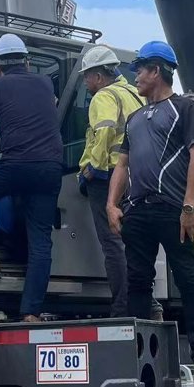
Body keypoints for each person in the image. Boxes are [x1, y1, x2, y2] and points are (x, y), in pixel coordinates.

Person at [107, 40, 194, 375]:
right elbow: (122, 164)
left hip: (173, 209)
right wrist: (112, 204)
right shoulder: (134, 118)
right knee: (138, 282)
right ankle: (139, 357)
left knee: (188, 278)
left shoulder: (184, 109)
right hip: (137, 211)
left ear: (156, 70)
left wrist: (189, 207)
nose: (136, 77)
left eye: (140, 70)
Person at [0, 34, 63, 322]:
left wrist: (0, 145)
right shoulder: (45, 83)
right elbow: (51, 108)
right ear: (27, 62)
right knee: (40, 240)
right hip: (50, 167)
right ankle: (31, 312)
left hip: (17, 163)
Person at [76, 45, 161, 320]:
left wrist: (93, 169)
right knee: (133, 245)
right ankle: (149, 305)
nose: (86, 82)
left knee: (112, 245)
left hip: (109, 176)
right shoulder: (135, 94)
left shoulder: (104, 96)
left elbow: (103, 132)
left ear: (99, 76)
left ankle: (123, 308)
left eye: (87, 76)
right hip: (137, 178)